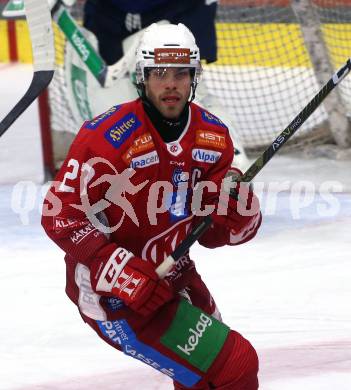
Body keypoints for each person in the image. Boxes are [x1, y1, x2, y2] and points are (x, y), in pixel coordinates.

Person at [41, 23, 262, 389]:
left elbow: (220, 234)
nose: (170, 83)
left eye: (180, 73)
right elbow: (59, 214)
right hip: (113, 295)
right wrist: (122, 273)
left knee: (205, 379)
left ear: (194, 77)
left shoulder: (213, 136)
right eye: (160, 73)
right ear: (142, 77)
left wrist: (241, 212)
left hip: (176, 277)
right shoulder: (107, 136)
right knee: (234, 365)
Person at [83, 0, 218, 66]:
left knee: (177, 68)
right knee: (104, 72)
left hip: (170, 9)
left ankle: (188, 87)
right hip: (110, 12)